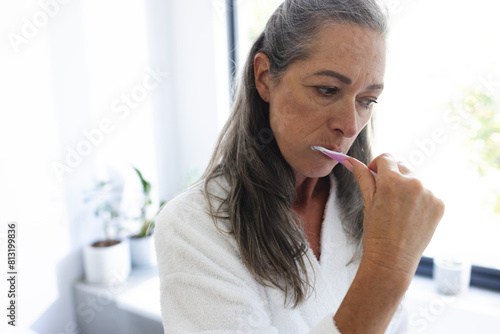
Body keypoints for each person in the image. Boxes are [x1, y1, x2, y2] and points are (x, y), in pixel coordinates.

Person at [154, 0, 445, 333]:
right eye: (327, 90)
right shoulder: (193, 228)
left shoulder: (370, 211)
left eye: (367, 100)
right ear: (264, 78)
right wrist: (388, 268)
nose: (350, 126)